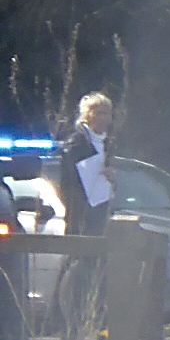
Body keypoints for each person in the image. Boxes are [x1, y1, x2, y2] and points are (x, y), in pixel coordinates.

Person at [55, 92, 113, 235]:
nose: (103, 118)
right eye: (98, 113)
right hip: (79, 215)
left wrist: (112, 179)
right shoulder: (76, 143)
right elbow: (68, 183)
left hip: (101, 213)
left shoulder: (110, 144)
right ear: (87, 115)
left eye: (106, 113)